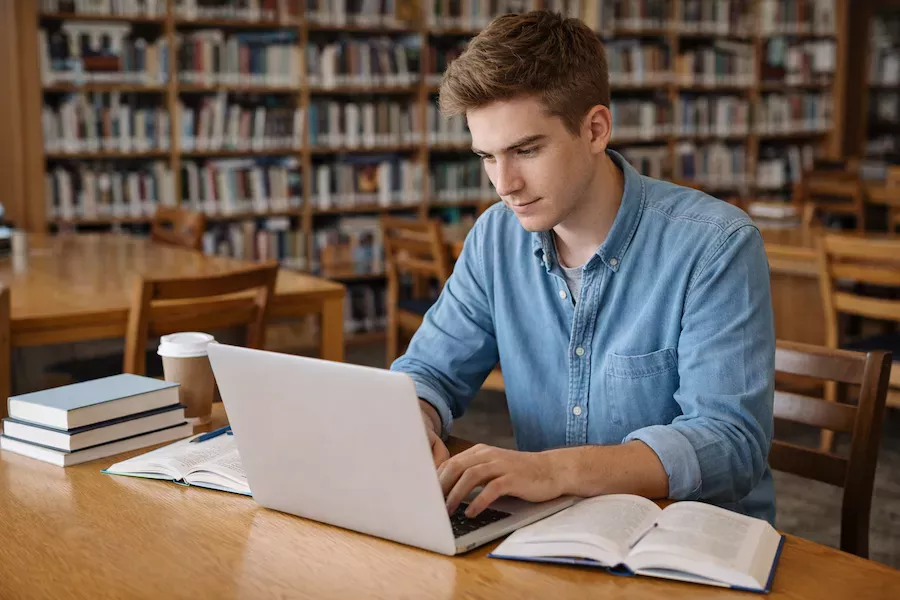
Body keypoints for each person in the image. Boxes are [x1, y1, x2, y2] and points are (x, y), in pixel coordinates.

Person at [391, 11, 775, 524]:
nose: (503, 184)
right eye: (486, 156)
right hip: (555, 533)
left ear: (595, 129)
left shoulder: (715, 245)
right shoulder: (493, 238)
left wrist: (554, 471)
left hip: (688, 546)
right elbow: (429, 371)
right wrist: (414, 417)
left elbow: (729, 445)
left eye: (525, 150)